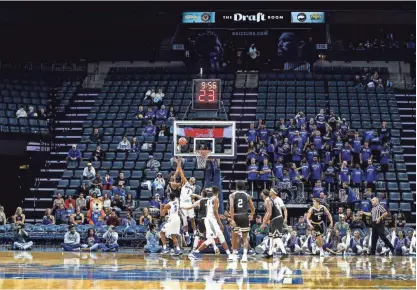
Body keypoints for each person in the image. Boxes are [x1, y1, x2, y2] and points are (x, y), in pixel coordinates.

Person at [188, 187, 232, 260]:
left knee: (213, 239)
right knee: (218, 237)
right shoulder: (216, 199)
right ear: (218, 192)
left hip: (209, 219)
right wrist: (220, 223)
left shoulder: (210, 199)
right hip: (211, 221)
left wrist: (220, 216)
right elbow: (214, 212)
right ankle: (194, 253)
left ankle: (229, 254)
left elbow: (211, 212)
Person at [229, 181, 255, 262]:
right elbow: (253, 208)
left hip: (236, 216)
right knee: (245, 237)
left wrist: (232, 219)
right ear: (243, 187)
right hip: (244, 216)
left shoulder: (232, 195)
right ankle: (244, 256)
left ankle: (234, 254)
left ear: (236, 186)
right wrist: (252, 215)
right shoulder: (247, 195)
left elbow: (232, 207)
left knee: (234, 236)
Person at [260, 188, 288, 258]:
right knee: (271, 237)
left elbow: (269, 213)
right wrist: (264, 221)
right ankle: (270, 253)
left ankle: (284, 253)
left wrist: (264, 223)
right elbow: (267, 213)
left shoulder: (268, 200)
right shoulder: (268, 200)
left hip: (277, 219)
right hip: (273, 219)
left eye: (261, 193)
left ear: (263, 194)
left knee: (276, 237)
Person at [176, 158, 198, 245]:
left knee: (192, 218)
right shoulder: (186, 183)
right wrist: (179, 164)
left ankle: (195, 232)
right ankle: (187, 234)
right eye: (191, 179)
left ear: (194, 182)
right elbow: (181, 173)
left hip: (189, 203)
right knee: (185, 220)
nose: (192, 180)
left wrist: (193, 201)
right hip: (183, 203)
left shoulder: (194, 188)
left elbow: (192, 197)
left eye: (194, 180)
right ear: (189, 180)